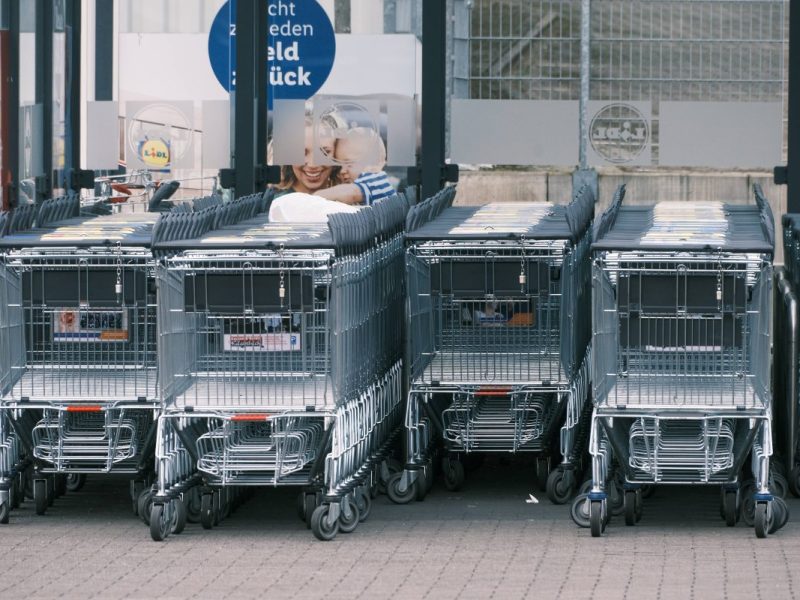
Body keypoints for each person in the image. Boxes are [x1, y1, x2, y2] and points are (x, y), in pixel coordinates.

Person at [314, 128, 394, 206]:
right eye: (340, 166)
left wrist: (313, 198)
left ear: (375, 164)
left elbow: (351, 192)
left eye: (349, 164)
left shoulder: (375, 182)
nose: (342, 171)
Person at [274, 121, 339, 195]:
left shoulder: (349, 199)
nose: (313, 165)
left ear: (337, 155)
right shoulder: (274, 203)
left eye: (324, 153)